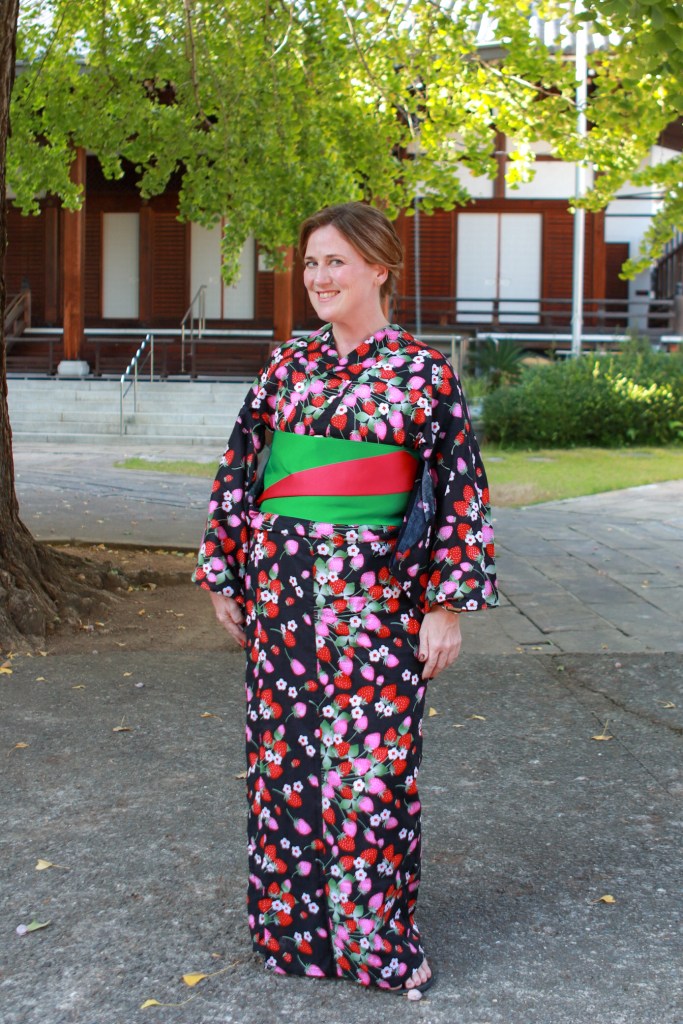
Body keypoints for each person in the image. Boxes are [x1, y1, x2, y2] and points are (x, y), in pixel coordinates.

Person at [193, 202, 498, 997]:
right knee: (284, 765)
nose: (318, 278)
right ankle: (292, 936)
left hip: (375, 601)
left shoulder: (423, 373)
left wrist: (444, 605)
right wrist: (226, 573)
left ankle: (375, 942)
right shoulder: (285, 369)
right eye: (310, 264)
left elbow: (460, 494)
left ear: (378, 268)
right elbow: (241, 472)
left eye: (335, 263)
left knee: (373, 772)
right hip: (284, 595)